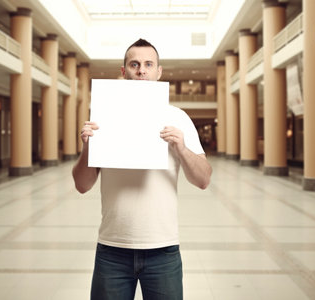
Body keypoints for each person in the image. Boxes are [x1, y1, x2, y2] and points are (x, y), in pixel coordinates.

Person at [72, 38, 212, 300]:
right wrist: (88, 147)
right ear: (124, 72)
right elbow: (82, 185)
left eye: (149, 64)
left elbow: (203, 179)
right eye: (134, 64)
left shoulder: (178, 117)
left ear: (159, 72)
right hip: (112, 249)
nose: (141, 70)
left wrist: (181, 147)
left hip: (163, 249)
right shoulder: (103, 118)